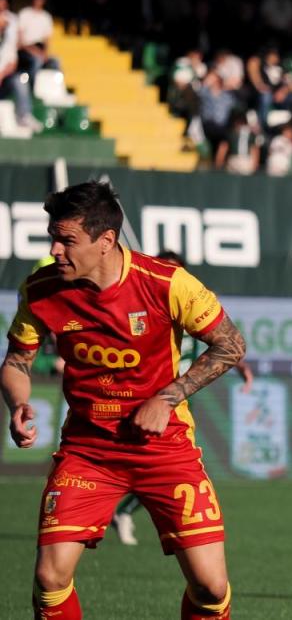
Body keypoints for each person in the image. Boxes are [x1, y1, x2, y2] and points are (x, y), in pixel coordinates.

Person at [2, 181, 247, 619]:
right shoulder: (40, 290)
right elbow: (17, 363)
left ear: (106, 241)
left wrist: (167, 398)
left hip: (165, 447)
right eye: (53, 238)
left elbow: (231, 346)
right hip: (89, 451)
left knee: (211, 587)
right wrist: (18, 404)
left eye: (67, 240)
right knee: (49, 577)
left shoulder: (167, 283)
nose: (56, 250)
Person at [110, 250, 254, 548]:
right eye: (164, 269)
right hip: (148, 394)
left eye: (176, 271)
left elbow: (223, 342)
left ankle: (124, 512)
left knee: (158, 464)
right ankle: (120, 511)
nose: (170, 276)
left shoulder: (188, 300)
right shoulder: (140, 302)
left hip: (181, 392)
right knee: (153, 464)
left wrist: (241, 367)